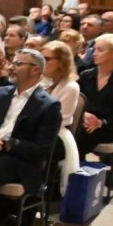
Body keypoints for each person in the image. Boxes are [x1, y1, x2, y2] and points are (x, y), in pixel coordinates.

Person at [0, 49, 62, 226]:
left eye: (18, 64)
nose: (12, 68)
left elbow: (40, 150)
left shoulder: (49, 105)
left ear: (35, 70)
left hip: (19, 161)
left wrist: (9, 143)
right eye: (12, 63)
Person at [41, 41, 81, 193]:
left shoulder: (71, 86)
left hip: (57, 133)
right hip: (40, 128)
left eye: (48, 59)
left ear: (61, 62)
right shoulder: (42, 81)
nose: (43, 62)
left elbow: (62, 118)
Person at [76, 34, 113, 159]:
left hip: (105, 128)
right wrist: (83, 114)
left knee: (79, 137)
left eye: (100, 50)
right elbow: (75, 100)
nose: (95, 53)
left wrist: (100, 123)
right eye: (95, 49)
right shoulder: (85, 75)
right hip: (82, 121)